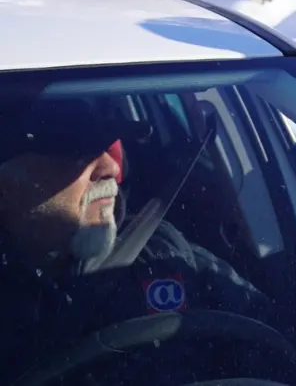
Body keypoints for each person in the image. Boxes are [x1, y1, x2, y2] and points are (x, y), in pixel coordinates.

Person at [0, 101, 281, 381]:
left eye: (107, 148)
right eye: (78, 155)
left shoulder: (166, 256)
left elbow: (273, 341)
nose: (111, 167)